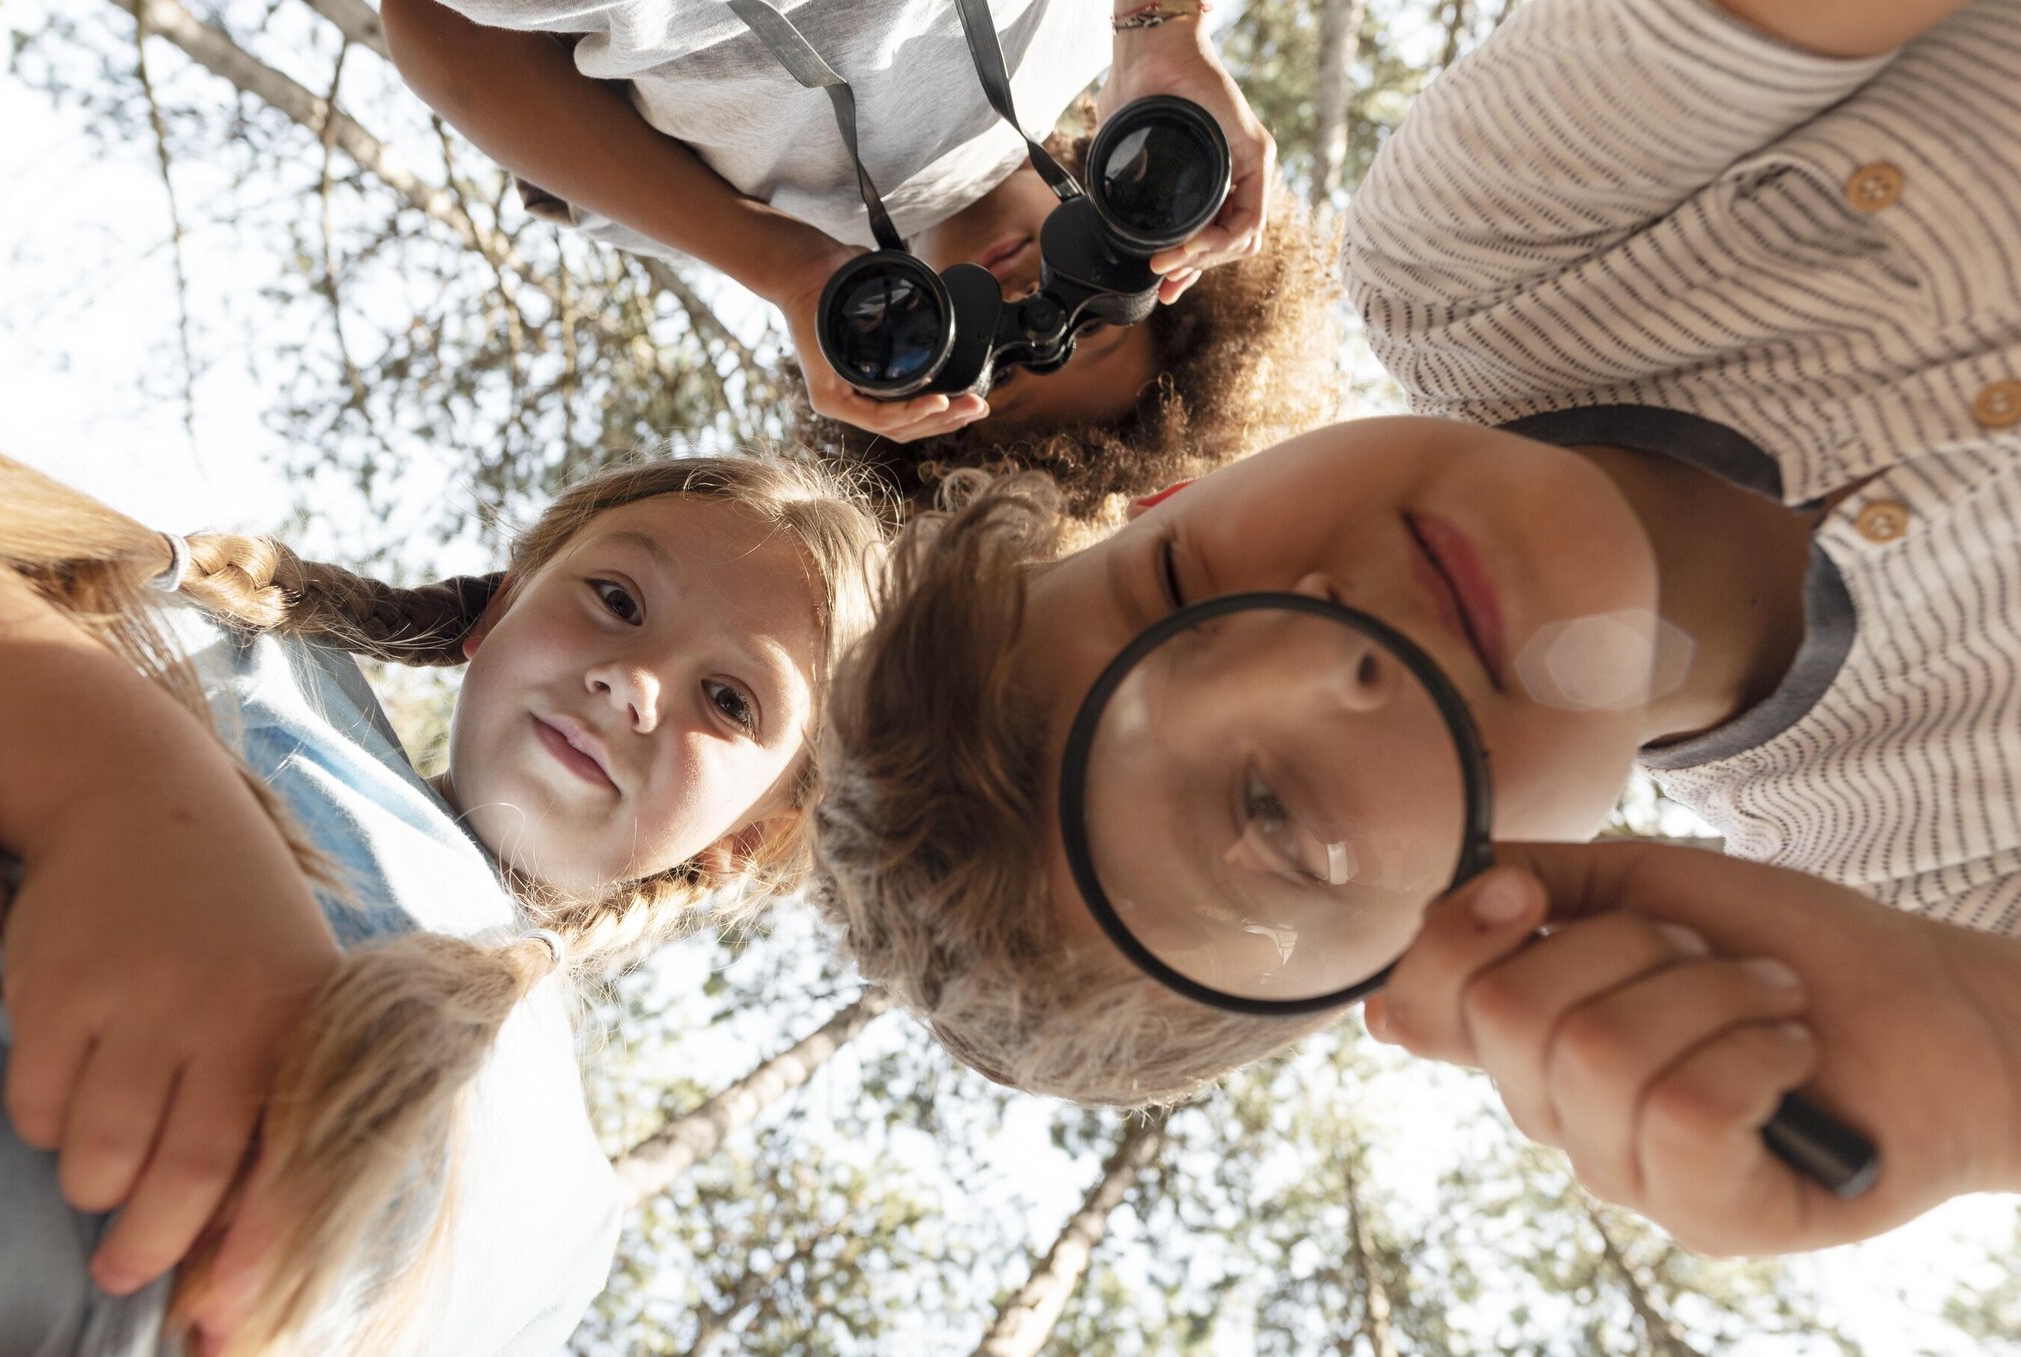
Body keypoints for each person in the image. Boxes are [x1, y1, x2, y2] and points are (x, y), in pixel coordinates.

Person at [810, 0, 2021, 1259]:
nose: (1325, 650)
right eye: (1274, 814)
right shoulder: (1935, 900)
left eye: (1179, 587)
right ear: (1434, 937)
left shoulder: (1479, 264)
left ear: (1175, 495)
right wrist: (1988, 1051)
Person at [0, 392, 880, 1357]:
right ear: (498, 610)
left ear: (750, 839)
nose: (632, 683)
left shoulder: (573, 1214)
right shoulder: (250, 658)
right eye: (617, 598)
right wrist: (114, 786)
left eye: (728, 701)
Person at [381, 0, 1341, 519]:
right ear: (1151, 266)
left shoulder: (727, 215)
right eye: (1090, 326)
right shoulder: (1103, 30)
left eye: (999, 362)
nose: (1022, 297)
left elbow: (433, 28)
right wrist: (1163, 29)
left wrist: (787, 267)